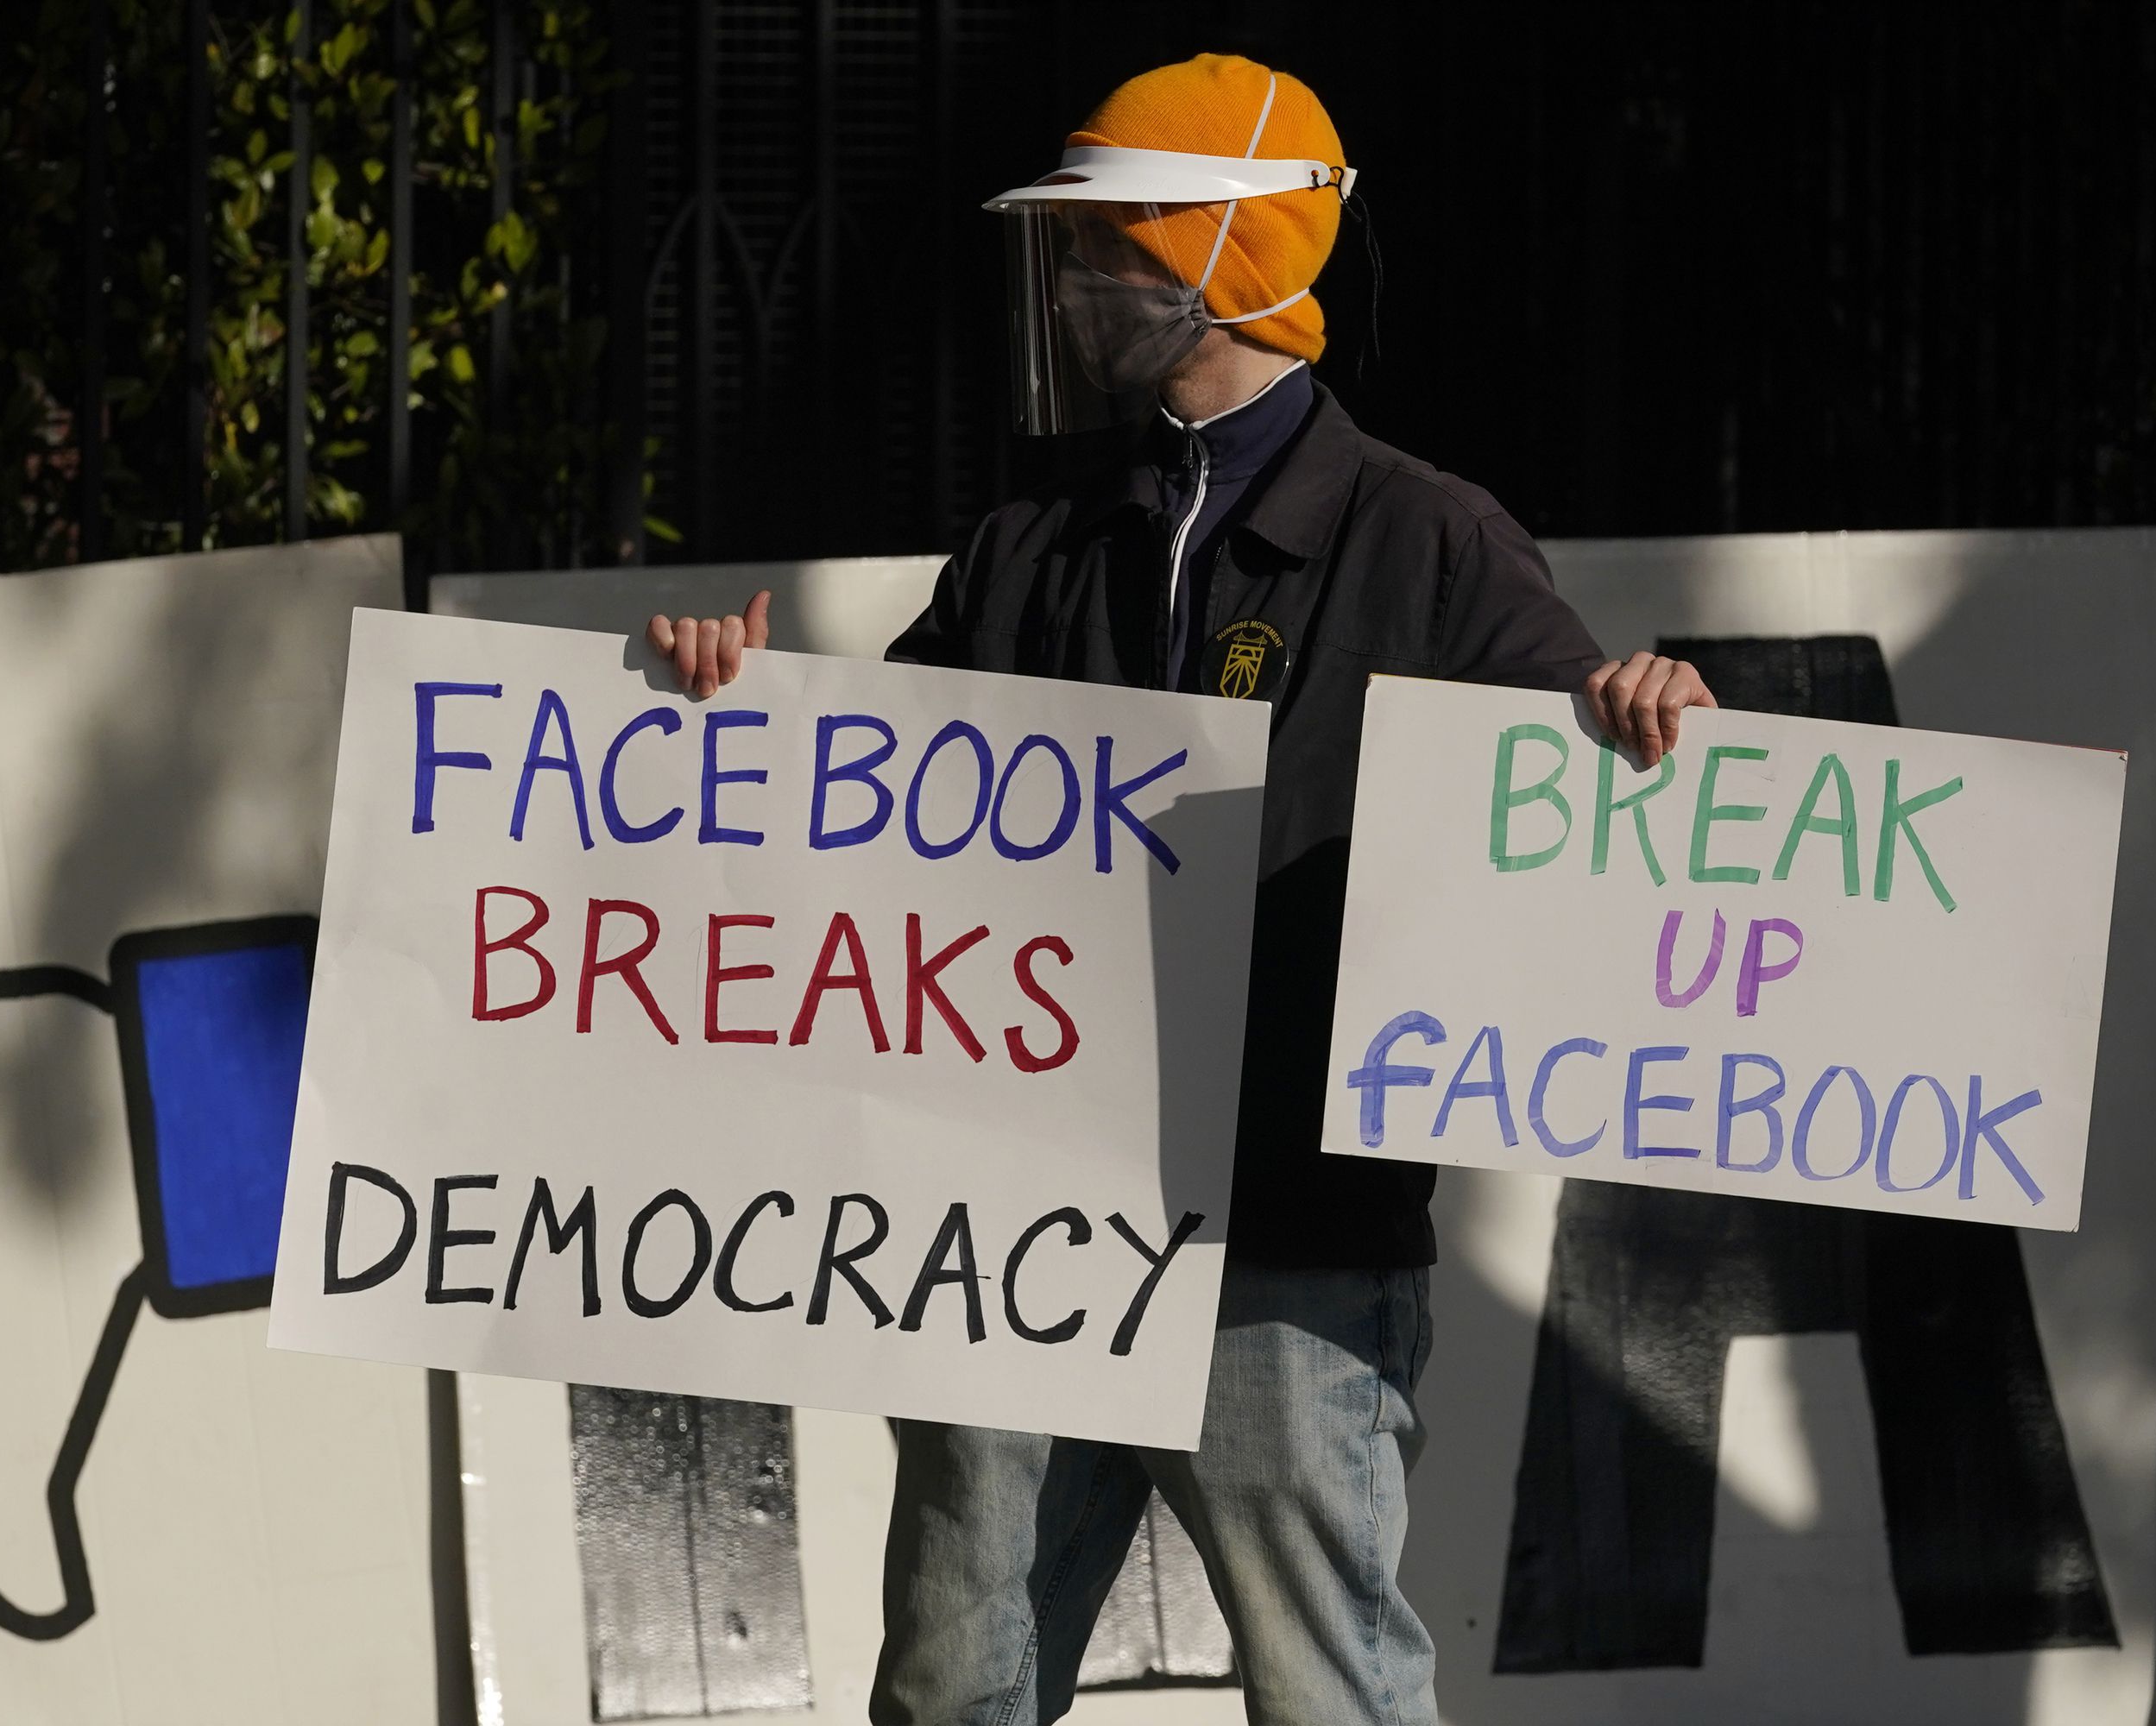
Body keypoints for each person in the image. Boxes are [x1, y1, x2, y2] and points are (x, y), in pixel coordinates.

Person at [645, 52, 1713, 1726]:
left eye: (1106, 246)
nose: (1071, 286)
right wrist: (737, 722)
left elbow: (1583, 799)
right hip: (1015, 1228)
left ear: (1228, 256)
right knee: (952, 1684)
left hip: (1288, 1243)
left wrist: (1652, 721)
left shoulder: (1431, 539)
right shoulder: (1034, 544)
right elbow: (874, 820)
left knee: (1326, 1692)